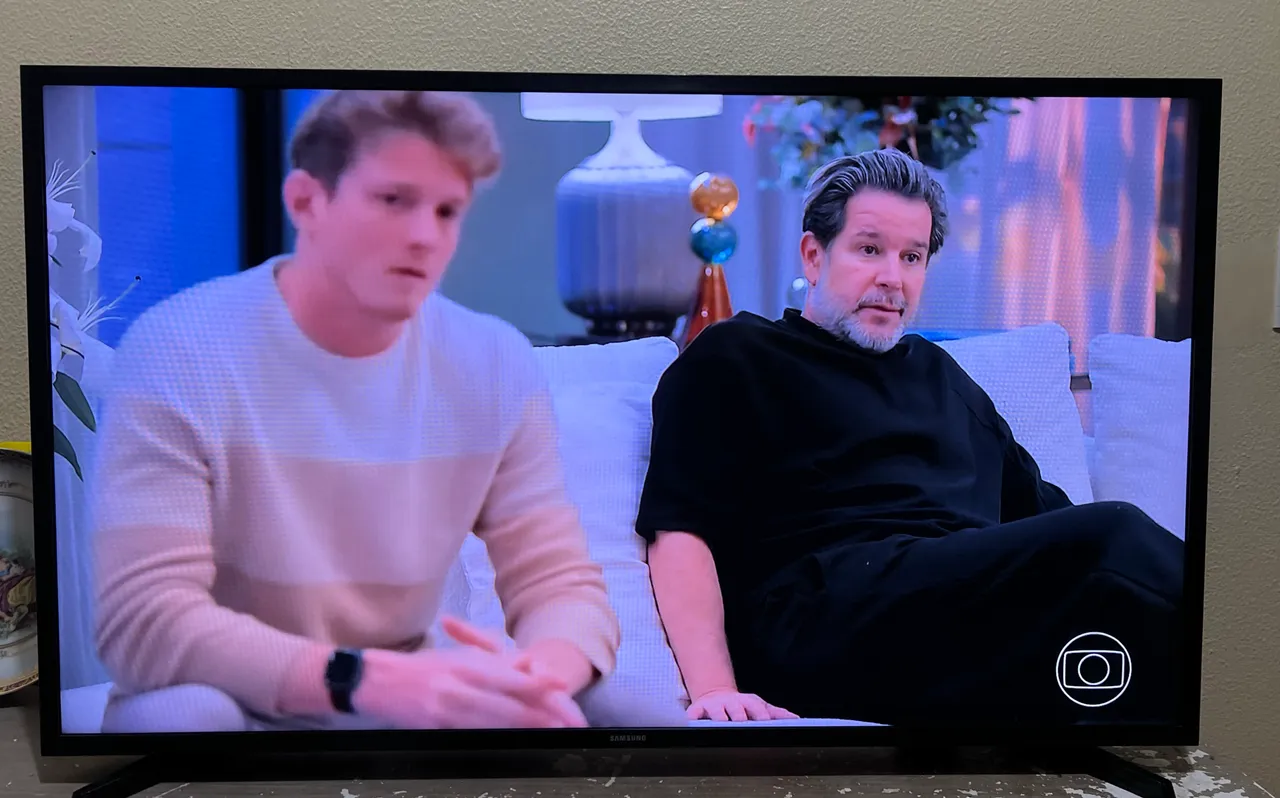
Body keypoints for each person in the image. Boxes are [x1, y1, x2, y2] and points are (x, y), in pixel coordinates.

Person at [91, 89, 621, 733]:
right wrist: (363, 681)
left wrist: (540, 676)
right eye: (393, 200)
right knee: (186, 717)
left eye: (447, 211)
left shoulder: (495, 361)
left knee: (607, 709)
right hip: (229, 695)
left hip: (405, 701)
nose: (425, 236)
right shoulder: (179, 348)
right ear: (306, 202)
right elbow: (143, 620)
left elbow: (557, 582)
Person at [636, 148, 1184, 727]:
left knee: (1117, 631)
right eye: (869, 249)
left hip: (960, 615)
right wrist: (715, 689)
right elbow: (680, 529)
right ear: (814, 255)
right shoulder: (739, 355)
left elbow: (1047, 522)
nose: (892, 278)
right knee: (1115, 534)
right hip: (825, 617)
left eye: (912, 256)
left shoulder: (942, 377)